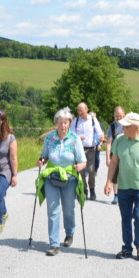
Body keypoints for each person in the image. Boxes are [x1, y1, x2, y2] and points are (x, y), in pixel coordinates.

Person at [103, 112, 139, 261]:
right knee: (126, 217)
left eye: (126, 126)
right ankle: (127, 249)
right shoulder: (120, 140)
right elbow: (114, 162)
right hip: (123, 187)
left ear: (135, 127)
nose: (122, 128)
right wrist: (108, 181)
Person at [35, 107, 86, 256]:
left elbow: (83, 161)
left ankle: (69, 232)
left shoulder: (75, 139)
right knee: (53, 210)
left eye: (65, 123)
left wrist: (79, 166)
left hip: (69, 179)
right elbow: (44, 155)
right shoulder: (49, 138)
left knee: (68, 209)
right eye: (60, 122)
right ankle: (54, 244)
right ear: (56, 123)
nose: (63, 126)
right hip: (52, 177)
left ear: (69, 123)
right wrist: (41, 161)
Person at [72, 102, 103, 201]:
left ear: (87, 109)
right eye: (78, 110)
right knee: (80, 171)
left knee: (91, 170)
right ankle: (84, 190)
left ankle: (92, 189)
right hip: (79, 149)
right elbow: (71, 134)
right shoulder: (75, 121)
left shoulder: (93, 120)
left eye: (81, 110)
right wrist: (78, 138)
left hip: (90, 149)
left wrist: (100, 139)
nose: (79, 112)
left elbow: (98, 132)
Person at [104, 106, 125, 205]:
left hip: (125, 154)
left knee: (125, 175)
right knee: (114, 176)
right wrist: (107, 157)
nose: (118, 118)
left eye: (120, 116)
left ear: (124, 114)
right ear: (114, 115)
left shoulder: (128, 125)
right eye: (117, 116)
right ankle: (116, 195)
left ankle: (124, 195)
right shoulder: (111, 127)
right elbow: (108, 143)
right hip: (114, 154)